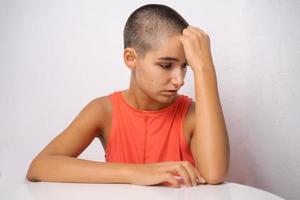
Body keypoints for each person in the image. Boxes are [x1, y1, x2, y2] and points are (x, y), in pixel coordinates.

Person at [26, 4, 230, 188]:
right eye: (166, 65)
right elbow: (39, 167)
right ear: (131, 59)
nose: (179, 80)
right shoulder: (103, 111)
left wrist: (204, 69)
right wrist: (136, 172)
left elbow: (214, 175)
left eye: (185, 66)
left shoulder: (192, 115)